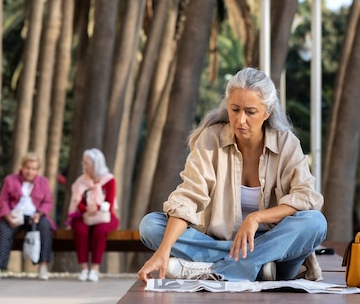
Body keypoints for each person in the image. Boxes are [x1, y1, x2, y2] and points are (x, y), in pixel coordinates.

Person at [137, 67, 327, 282]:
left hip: (277, 250)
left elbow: (306, 197)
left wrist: (257, 218)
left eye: (250, 112)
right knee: (151, 226)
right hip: (224, 245)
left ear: (267, 112)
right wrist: (163, 251)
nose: (240, 120)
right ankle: (250, 268)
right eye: (235, 109)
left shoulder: (286, 144)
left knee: (315, 222)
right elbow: (188, 197)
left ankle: (218, 270)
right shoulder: (211, 139)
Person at [0, 152, 56, 281]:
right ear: (22, 167)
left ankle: (43, 265)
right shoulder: (10, 180)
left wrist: (39, 213)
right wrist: (7, 215)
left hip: (34, 217)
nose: (30, 172)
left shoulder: (43, 182)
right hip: (15, 215)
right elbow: (3, 200)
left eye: (34, 169)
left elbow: (48, 202)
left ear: (37, 170)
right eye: (28, 168)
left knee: (45, 227)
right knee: (3, 229)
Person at [66, 148, 119, 282]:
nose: (84, 166)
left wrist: (97, 207)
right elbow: (77, 201)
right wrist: (86, 209)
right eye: (83, 163)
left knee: (100, 231)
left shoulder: (109, 180)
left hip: (105, 215)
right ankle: (84, 268)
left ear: (96, 164)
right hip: (84, 215)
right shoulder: (81, 181)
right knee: (80, 230)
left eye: (87, 164)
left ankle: (94, 269)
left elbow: (110, 202)